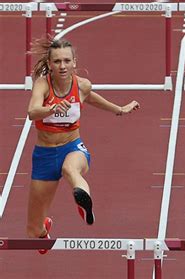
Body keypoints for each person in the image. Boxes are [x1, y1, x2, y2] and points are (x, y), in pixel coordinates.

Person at [26, 38, 140, 253]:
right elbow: (32, 112)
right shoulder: (43, 84)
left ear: (74, 62)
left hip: (72, 147)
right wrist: (53, 108)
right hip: (44, 155)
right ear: (50, 64)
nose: (62, 66)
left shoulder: (82, 85)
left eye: (67, 61)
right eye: (57, 61)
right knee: (33, 231)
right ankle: (44, 228)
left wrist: (120, 109)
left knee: (71, 169)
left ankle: (83, 201)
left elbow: (94, 99)